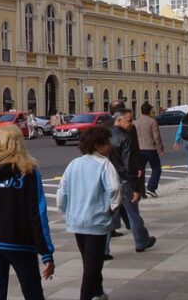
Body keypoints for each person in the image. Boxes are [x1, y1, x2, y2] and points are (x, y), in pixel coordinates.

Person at [0, 126, 55, 300]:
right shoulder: (27, 172)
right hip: (19, 241)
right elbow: (37, 213)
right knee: (32, 290)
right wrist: (46, 251)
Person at [57, 126, 121, 300]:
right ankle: (87, 295)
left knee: (89, 259)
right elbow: (114, 189)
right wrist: (112, 207)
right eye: (107, 143)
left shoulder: (74, 164)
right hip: (96, 220)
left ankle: (98, 292)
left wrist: (65, 211)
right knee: (93, 265)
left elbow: (62, 192)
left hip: (76, 220)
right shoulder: (105, 164)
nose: (110, 146)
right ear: (99, 145)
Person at [105, 106, 156, 258]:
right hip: (124, 180)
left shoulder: (106, 135)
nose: (131, 123)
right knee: (133, 213)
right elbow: (127, 164)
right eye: (128, 120)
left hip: (109, 179)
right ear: (118, 120)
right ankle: (141, 241)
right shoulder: (125, 137)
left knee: (107, 216)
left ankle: (103, 250)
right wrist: (134, 185)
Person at [135, 102, 164, 198]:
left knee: (140, 171)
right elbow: (156, 137)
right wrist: (160, 149)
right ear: (149, 111)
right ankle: (151, 188)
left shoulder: (136, 122)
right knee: (156, 169)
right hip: (150, 149)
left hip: (139, 149)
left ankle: (140, 191)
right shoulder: (152, 121)